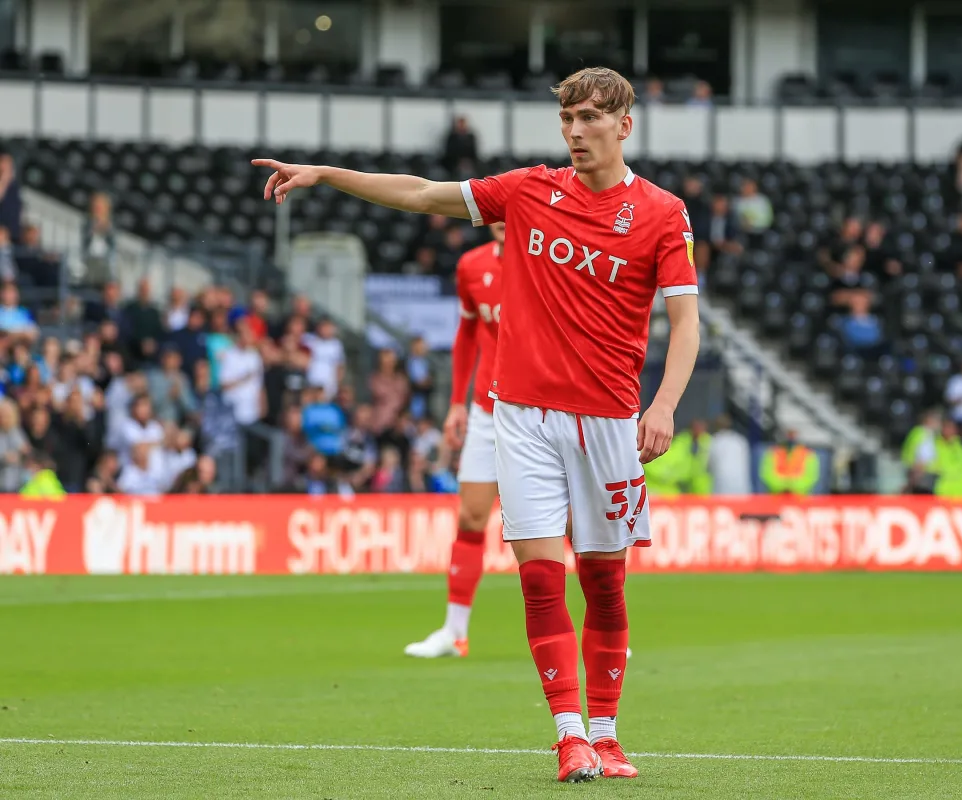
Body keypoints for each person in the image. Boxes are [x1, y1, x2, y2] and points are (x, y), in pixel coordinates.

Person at [254, 65, 700, 783]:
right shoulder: (528, 190)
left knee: (606, 584)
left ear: (624, 124)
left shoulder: (662, 212)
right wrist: (326, 174)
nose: (576, 131)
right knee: (539, 580)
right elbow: (421, 194)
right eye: (568, 119)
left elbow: (685, 324)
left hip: (610, 423)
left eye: (590, 118)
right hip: (520, 416)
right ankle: (569, 735)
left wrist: (667, 403)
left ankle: (610, 734)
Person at [405, 222, 506, 660]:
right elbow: (467, 333)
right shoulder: (472, 265)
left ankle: (605, 632)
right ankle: (454, 632)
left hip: (544, 410)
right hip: (487, 407)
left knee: (573, 526)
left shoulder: (552, 260)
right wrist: (457, 403)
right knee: (470, 516)